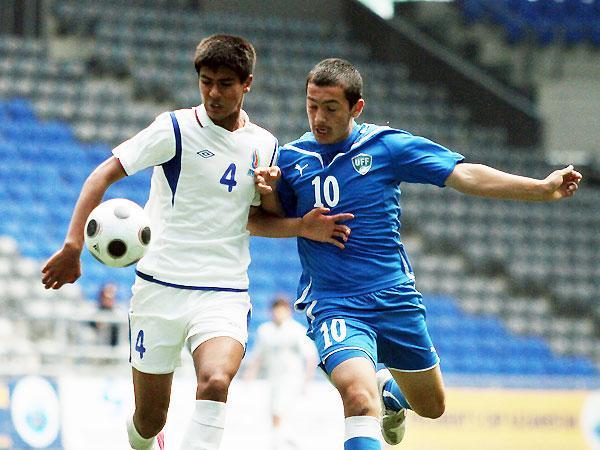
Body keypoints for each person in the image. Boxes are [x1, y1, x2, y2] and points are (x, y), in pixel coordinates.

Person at [253, 58, 582, 450]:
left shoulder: (386, 146)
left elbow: (464, 174)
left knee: (432, 406)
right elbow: (262, 221)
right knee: (357, 397)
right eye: (312, 106)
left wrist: (540, 188)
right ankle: (374, 395)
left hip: (393, 297)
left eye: (331, 108)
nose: (319, 118)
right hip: (334, 302)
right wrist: (286, 210)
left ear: (357, 107)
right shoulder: (291, 159)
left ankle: (391, 393)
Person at [41, 36, 352, 450]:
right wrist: (73, 245)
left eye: (225, 84)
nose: (213, 93)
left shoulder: (264, 145)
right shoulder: (174, 129)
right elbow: (103, 174)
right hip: (158, 288)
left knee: (216, 381)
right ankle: (145, 437)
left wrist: (297, 222)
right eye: (206, 82)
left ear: (247, 84)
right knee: (149, 419)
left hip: (223, 290)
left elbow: (254, 219)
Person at [244, 295, 316, 449]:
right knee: (274, 409)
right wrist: (250, 372)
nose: (279, 314)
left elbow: (310, 356)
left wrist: (306, 380)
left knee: (282, 409)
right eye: (276, 310)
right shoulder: (265, 330)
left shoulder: (296, 331)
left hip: (293, 378)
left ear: (288, 311)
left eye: (282, 310)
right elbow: (258, 355)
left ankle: (280, 441)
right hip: (273, 378)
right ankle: (281, 439)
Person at [90, 282, 120, 346]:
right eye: (106, 298)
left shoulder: (118, 312)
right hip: (96, 344)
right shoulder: (94, 311)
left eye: (110, 298)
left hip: (114, 347)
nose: (108, 301)